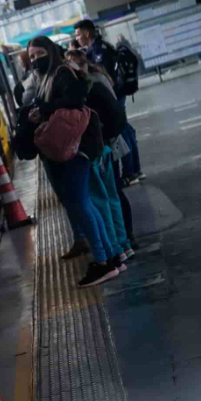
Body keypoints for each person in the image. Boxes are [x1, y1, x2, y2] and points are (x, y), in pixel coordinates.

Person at [15, 36, 121, 287]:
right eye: (31, 57)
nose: (36, 59)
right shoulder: (46, 77)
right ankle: (110, 256)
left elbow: (74, 100)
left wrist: (44, 109)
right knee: (83, 203)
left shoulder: (62, 72)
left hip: (75, 148)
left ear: (50, 51)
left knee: (81, 204)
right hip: (69, 147)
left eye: (40, 53)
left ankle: (103, 261)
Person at [65, 49, 137, 260]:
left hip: (93, 154)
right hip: (105, 149)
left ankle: (115, 249)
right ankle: (124, 244)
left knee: (99, 201)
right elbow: (118, 116)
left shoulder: (81, 94)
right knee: (112, 196)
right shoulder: (97, 84)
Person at [76, 19, 144, 183]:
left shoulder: (99, 51)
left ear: (86, 33)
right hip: (116, 95)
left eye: (78, 34)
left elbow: (105, 77)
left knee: (121, 132)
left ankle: (130, 172)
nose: (77, 38)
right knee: (125, 130)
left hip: (114, 95)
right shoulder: (98, 48)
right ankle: (134, 170)